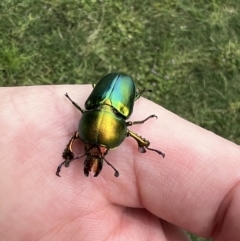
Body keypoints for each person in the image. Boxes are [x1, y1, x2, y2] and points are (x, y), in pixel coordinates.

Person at [1, 85, 239, 241]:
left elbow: (121, 131)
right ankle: (140, 142)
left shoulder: (106, 127)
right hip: (107, 109)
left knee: (126, 131)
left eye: (100, 150)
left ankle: (139, 141)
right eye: (99, 150)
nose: (95, 152)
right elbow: (103, 133)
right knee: (124, 131)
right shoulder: (89, 129)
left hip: (112, 101)